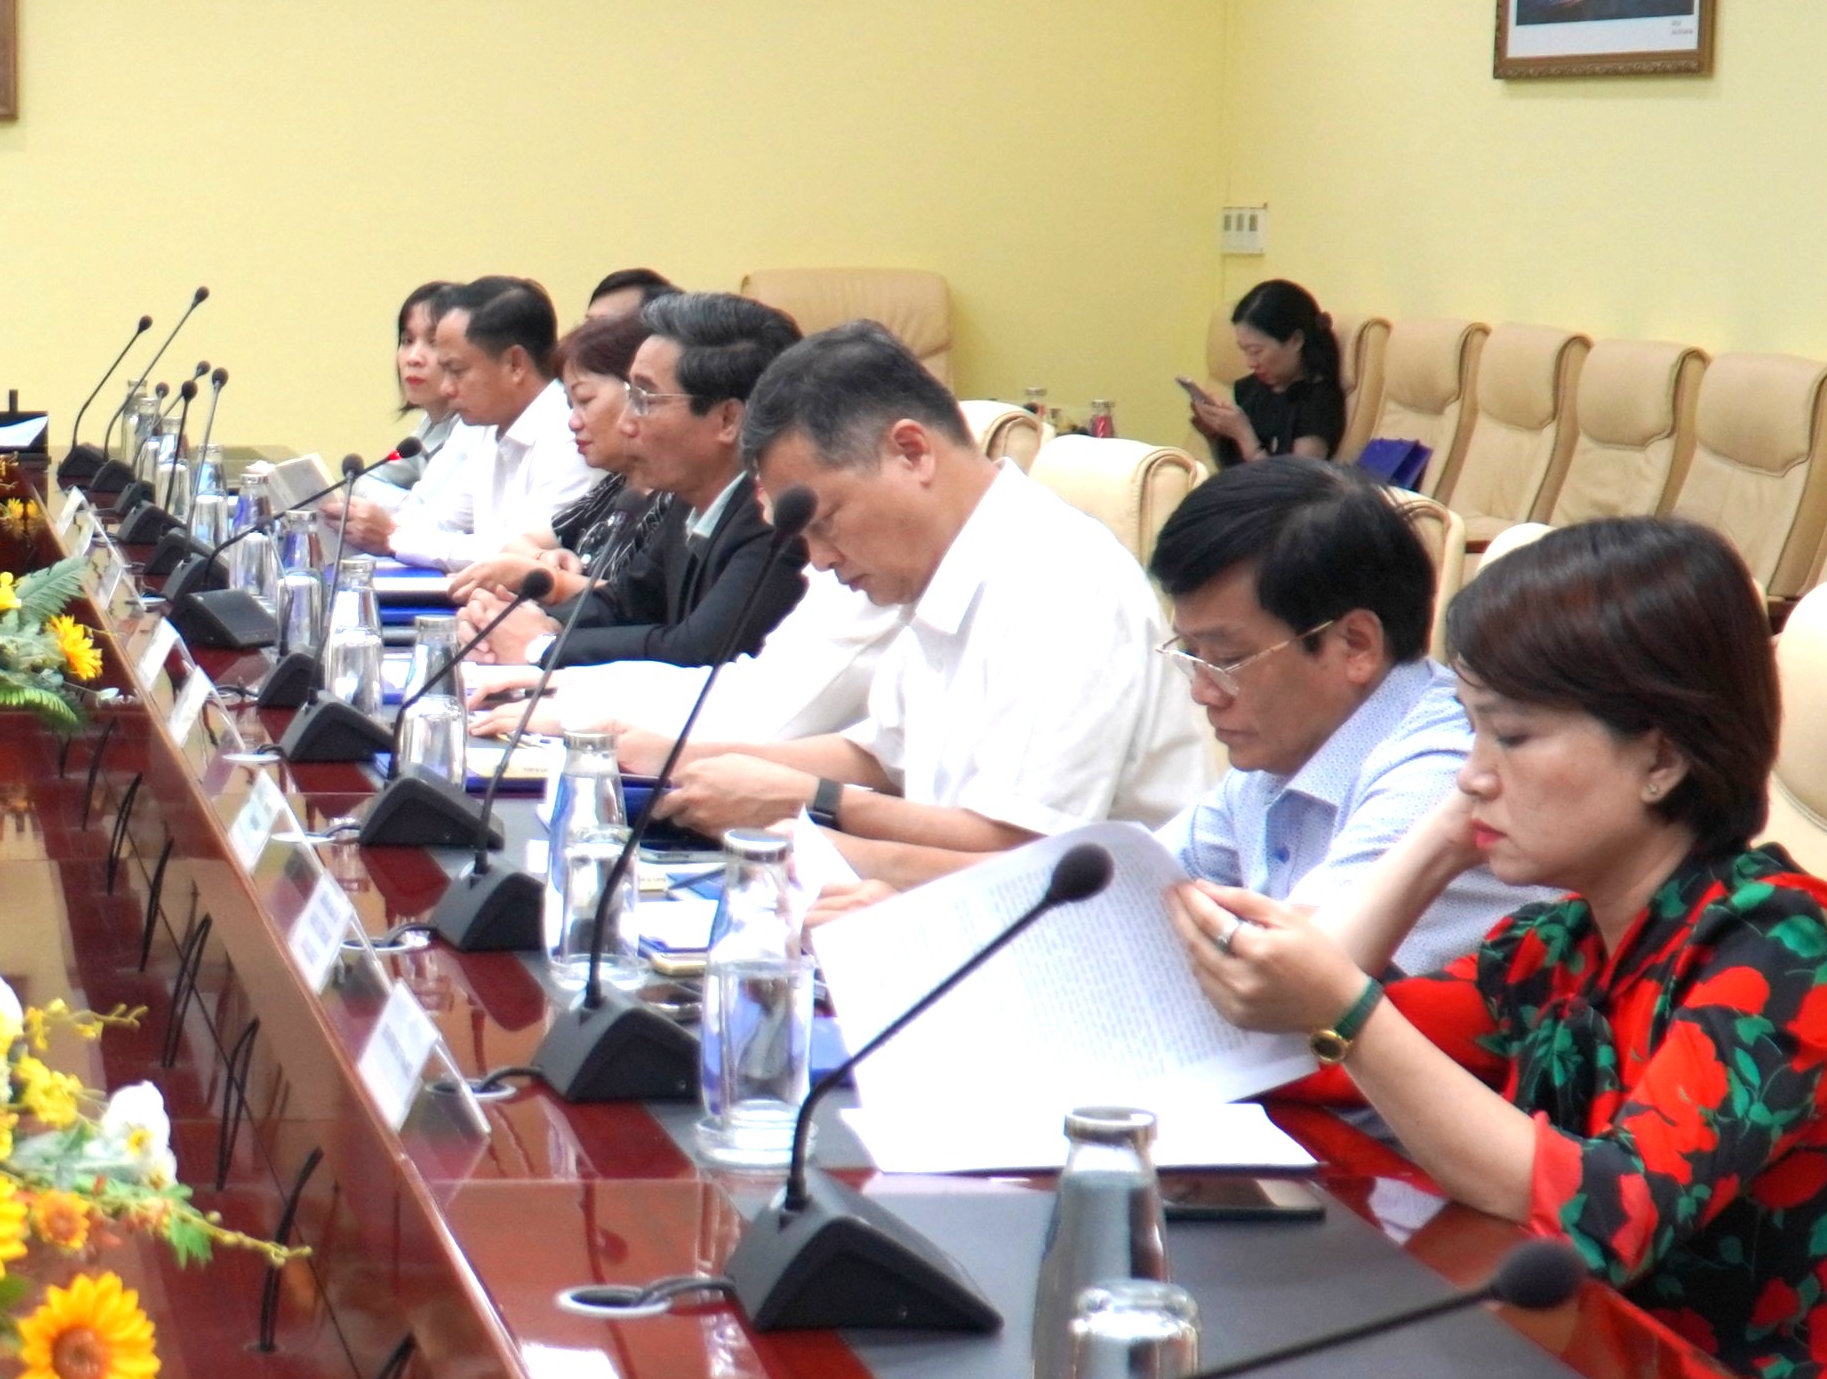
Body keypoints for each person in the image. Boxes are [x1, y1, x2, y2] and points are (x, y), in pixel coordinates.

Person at [1174, 515, 1827, 1379]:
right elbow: (1298, 1058)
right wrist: (1434, 848)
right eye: (1470, 732)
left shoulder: (1789, 950)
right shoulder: (1566, 943)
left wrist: (1345, 1010)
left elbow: (1605, 1216)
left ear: (1660, 756)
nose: (1471, 775)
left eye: (1513, 737)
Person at [636, 322, 1214, 881]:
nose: (820, 561)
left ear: (911, 452)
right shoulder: (943, 568)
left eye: (826, 522)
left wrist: (814, 809)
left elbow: (1024, 857)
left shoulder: (1060, 584)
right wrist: (678, 761)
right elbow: (883, 756)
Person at [1147, 457, 1551, 974]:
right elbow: (1131, 888)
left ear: (1355, 644)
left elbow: (1284, 983)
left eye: (1227, 660)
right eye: (1192, 655)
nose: (1203, 692)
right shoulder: (1289, 746)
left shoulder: (1443, 776)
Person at [521, 290, 812, 670]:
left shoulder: (777, 521)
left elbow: (696, 651)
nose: (625, 423)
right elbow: (625, 603)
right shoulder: (687, 498)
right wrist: (534, 623)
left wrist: (542, 647)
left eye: (646, 399)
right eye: (631, 395)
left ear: (728, 419)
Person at [450, 310, 668, 663]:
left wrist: (548, 580)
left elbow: (647, 607)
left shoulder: (673, 501)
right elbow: (517, 543)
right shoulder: (613, 489)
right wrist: (538, 563)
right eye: (569, 405)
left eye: (585, 401)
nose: (573, 422)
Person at [347, 277, 593, 572]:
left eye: (457, 370)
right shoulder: (487, 427)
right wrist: (367, 528)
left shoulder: (573, 435)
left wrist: (393, 537)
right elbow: (440, 519)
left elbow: (517, 552)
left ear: (515, 364)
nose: (447, 388)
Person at [1191, 278, 1345, 466]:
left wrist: (1244, 435)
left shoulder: (1318, 403)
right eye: (1245, 350)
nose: (1250, 363)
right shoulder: (1251, 389)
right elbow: (1231, 473)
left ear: (1296, 340)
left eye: (1256, 351)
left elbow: (1292, 481)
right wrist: (1215, 436)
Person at [355, 282, 465, 495]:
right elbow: (366, 480)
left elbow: (433, 508)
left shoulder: (473, 431)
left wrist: (397, 508)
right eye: (407, 341)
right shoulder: (428, 426)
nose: (413, 358)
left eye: (433, 342)